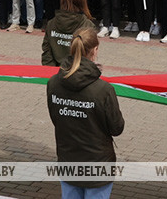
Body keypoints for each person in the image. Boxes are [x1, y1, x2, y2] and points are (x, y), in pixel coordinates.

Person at [46, 28, 124, 199]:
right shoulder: (103, 90)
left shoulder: (53, 83)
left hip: (69, 161)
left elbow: (56, 119)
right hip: (97, 167)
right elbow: (117, 128)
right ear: (95, 50)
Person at [42, 0, 95, 66]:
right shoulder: (88, 26)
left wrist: (52, 74)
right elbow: (89, 56)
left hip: (55, 73)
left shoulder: (51, 24)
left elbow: (47, 55)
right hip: (79, 74)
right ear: (83, 1)